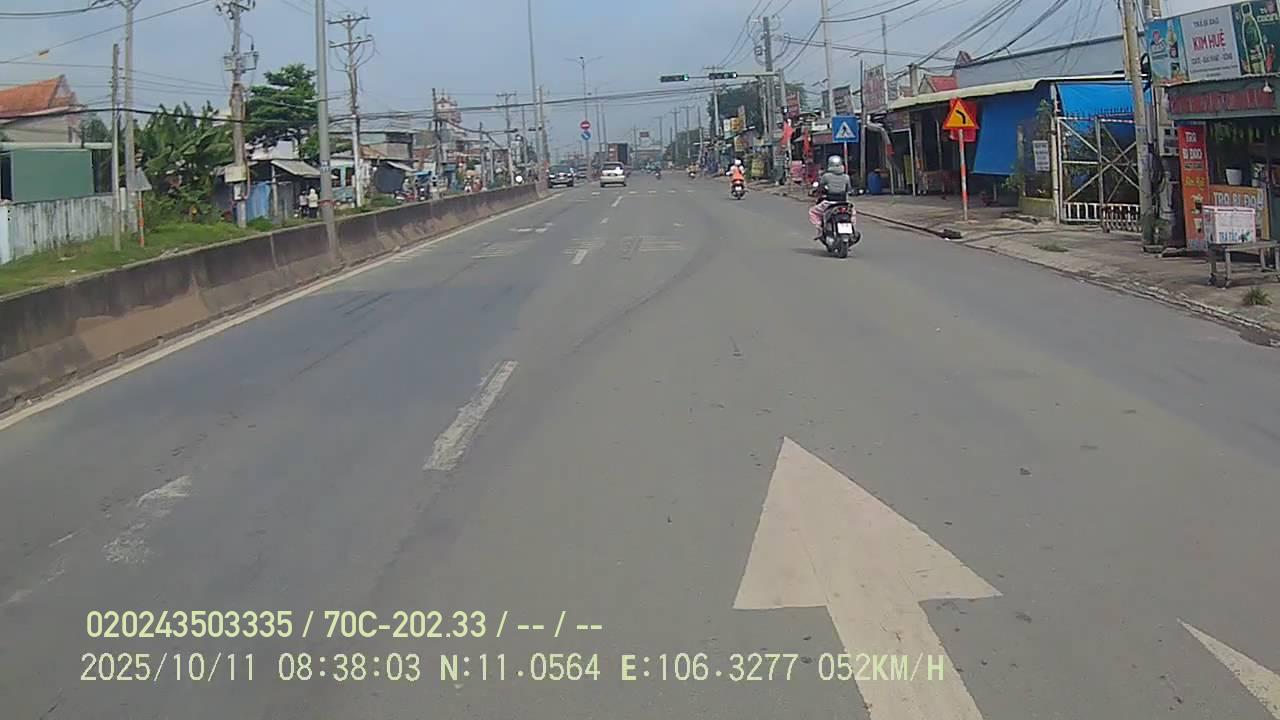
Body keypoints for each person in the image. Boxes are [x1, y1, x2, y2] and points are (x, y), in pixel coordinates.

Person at [809, 155, 852, 240]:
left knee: (813, 211)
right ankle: (852, 229)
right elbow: (849, 189)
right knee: (852, 214)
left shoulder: (826, 176)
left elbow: (820, 187)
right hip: (843, 203)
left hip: (829, 202)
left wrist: (815, 191)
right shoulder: (846, 177)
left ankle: (820, 229)